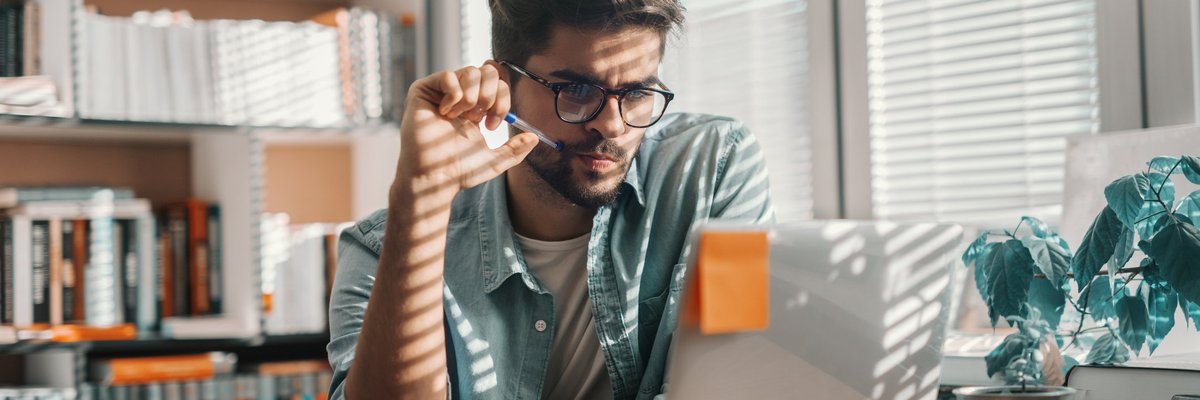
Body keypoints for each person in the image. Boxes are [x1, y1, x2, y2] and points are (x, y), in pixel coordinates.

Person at [326, 0, 774, 398]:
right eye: (576, 91)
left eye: (636, 93)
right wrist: (419, 197)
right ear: (503, 86)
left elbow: (738, 373)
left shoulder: (713, 166)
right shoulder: (382, 247)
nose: (613, 127)